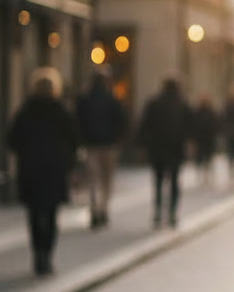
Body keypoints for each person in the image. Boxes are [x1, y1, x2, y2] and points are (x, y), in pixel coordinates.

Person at [7, 67, 80, 276]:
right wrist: (68, 161)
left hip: (31, 169)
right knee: (51, 212)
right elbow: (74, 139)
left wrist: (25, 152)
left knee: (33, 213)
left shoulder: (26, 111)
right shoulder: (61, 111)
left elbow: (12, 139)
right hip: (55, 170)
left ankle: (37, 253)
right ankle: (47, 255)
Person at [75, 67, 127, 228]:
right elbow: (122, 121)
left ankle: (95, 207)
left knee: (93, 179)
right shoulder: (112, 100)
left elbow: (77, 122)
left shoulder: (84, 100)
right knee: (106, 179)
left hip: (90, 145)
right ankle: (103, 208)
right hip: (109, 145)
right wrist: (119, 139)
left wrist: (80, 141)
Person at [138, 75, 192, 228]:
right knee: (174, 181)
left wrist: (143, 145)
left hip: (158, 148)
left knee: (158, 181)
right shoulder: (182, 104)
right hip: (175, 148)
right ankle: (172, 213)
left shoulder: (155, 103)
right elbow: (189, 126)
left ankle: (158, 211)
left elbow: (145, 125)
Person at [191, 94, 220, 186]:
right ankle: (202, 174)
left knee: (207, 157)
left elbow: (216, 125)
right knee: (202, 157)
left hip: (208, 138)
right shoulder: (197, 112)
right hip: (202, 138)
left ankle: (206, 174)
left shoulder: (211, 112)